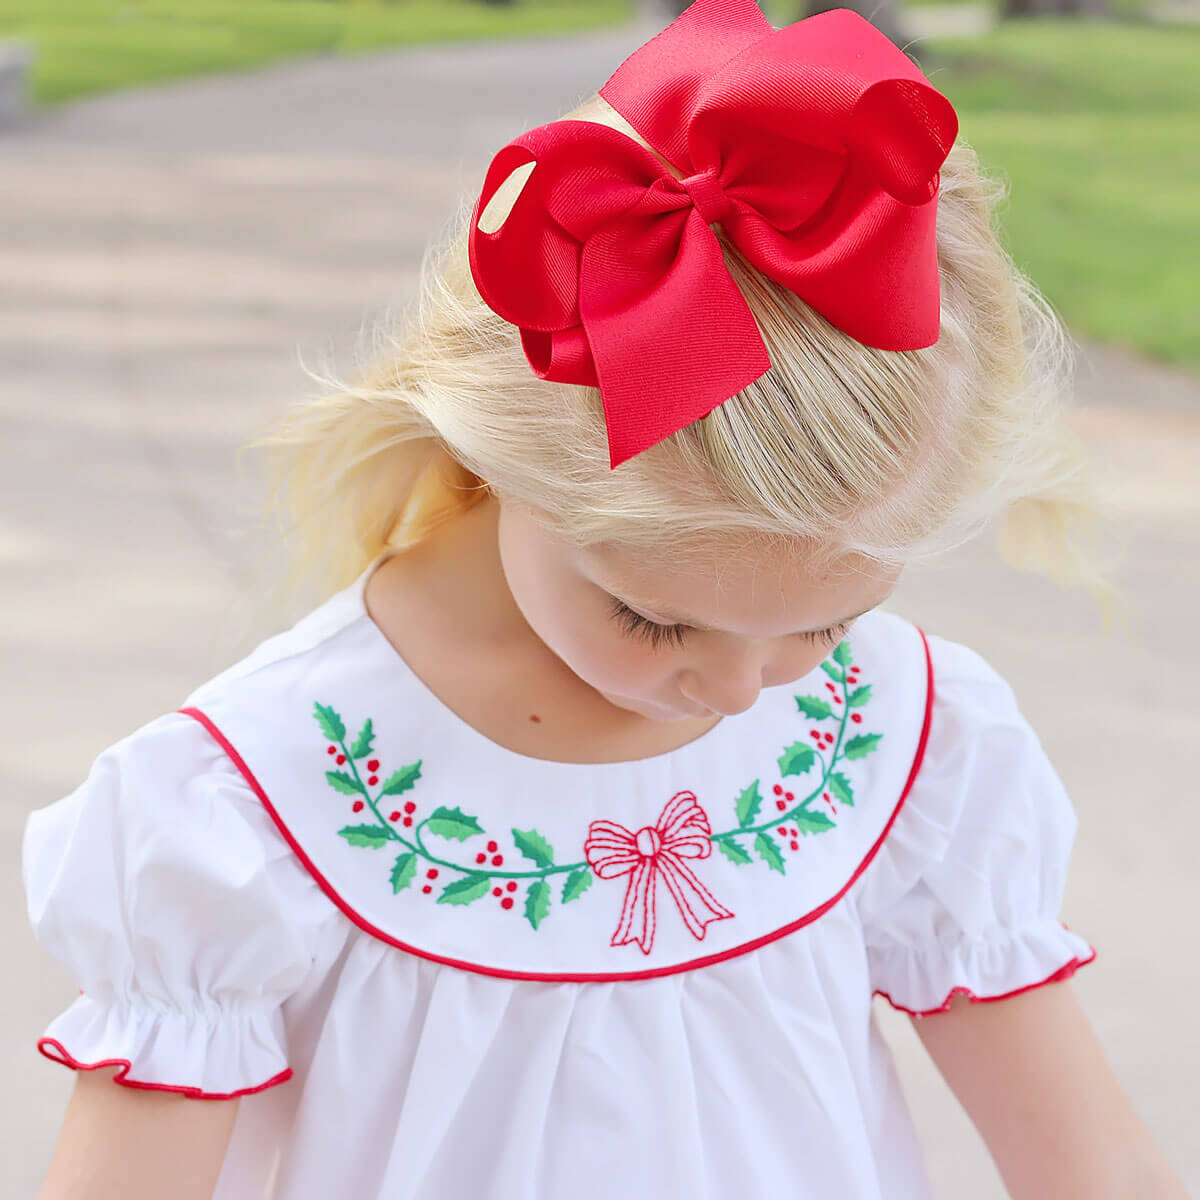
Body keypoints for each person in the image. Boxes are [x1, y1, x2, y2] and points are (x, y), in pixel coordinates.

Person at [21, 2, 1187, 1198]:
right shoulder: (250, 802)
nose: (742, 691)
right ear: (498, 460)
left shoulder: (902, 736)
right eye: (656, 620)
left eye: (823, 624)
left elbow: (1091, 1167)